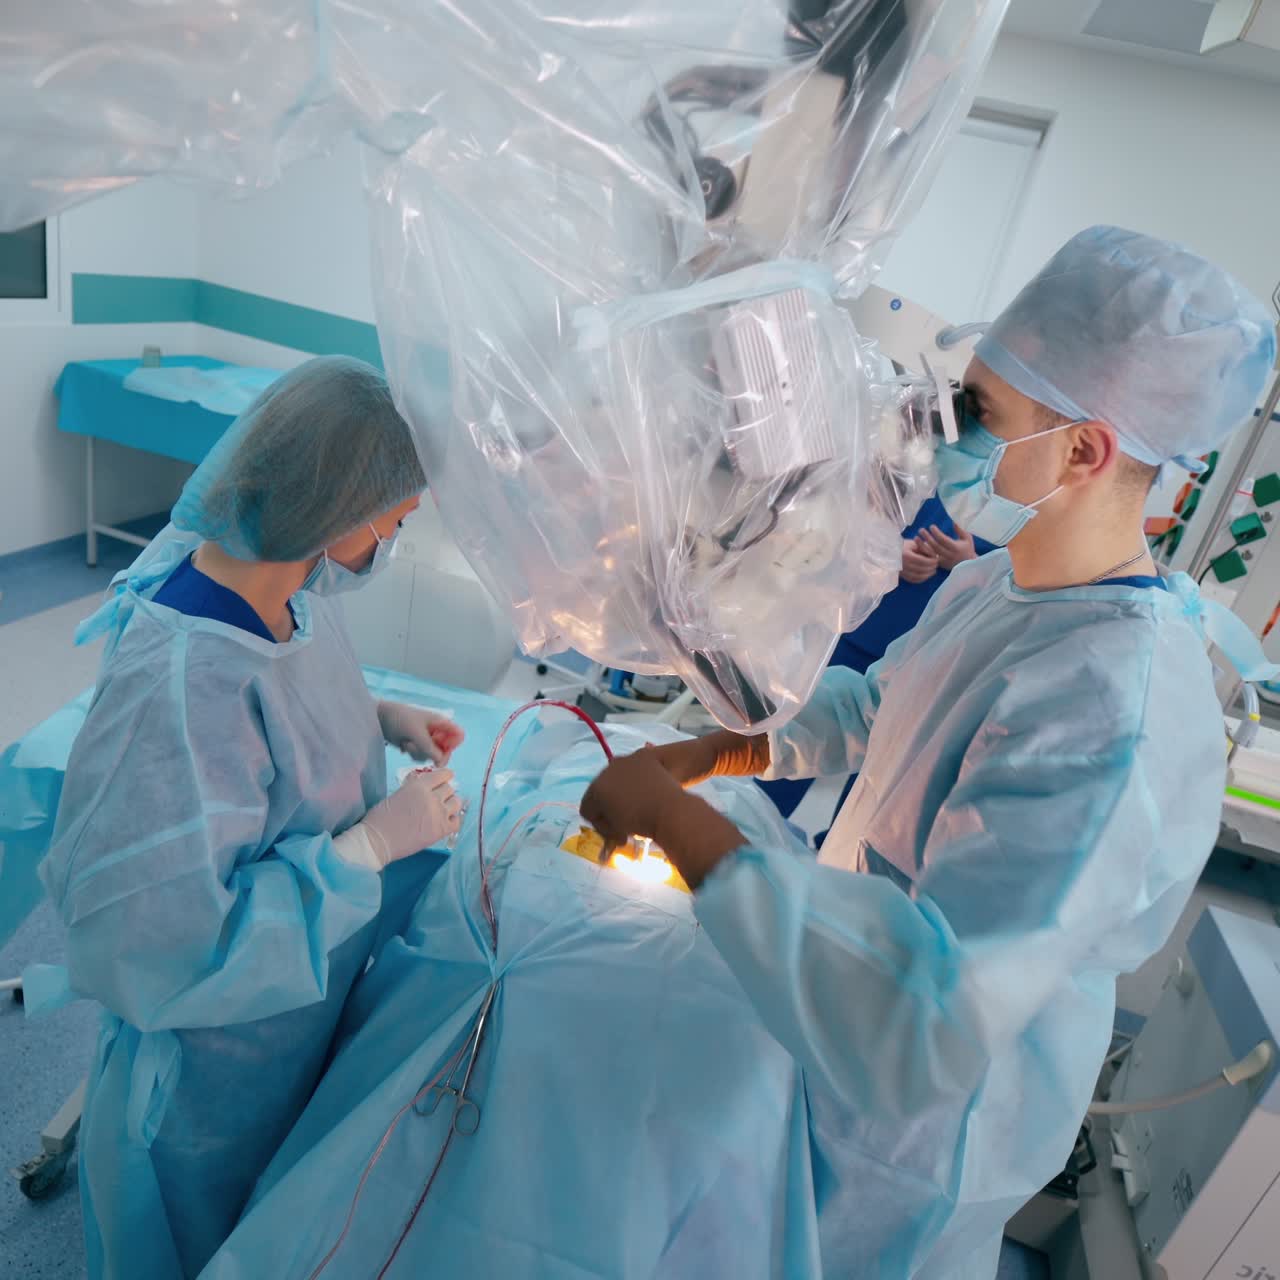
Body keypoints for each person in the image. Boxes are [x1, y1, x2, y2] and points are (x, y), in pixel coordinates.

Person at [581, 227, 1277, 1278]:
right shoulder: (997, 584)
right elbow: (880, 706)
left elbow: (933, 1008)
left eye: (979, 415)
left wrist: (680, 828)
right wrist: (725, 752)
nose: (938, 439)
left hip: (911, 1139)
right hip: (839, 1029)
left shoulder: (1111, 702)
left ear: (1084, 451)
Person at [37, 357, 466, 1279]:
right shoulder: (186, 686)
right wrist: (375, 844)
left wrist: (381, 721)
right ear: (343, 510)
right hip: (206, 1074)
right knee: (194, 1246)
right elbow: (165, 947)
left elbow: (292, 720)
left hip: (281, 1027)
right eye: (396, 520)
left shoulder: (288, 586)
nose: (394, 539)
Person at [757, 494, 994, 827]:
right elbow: (837, 513)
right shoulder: (933, 466)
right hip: (863, 627)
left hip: (929, 648)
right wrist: (888, 552)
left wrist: (969, 564)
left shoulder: (1021, 496)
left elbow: (1015, 573)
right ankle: (742, 825)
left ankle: (836, 862)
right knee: (792, 739)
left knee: (878, 775)